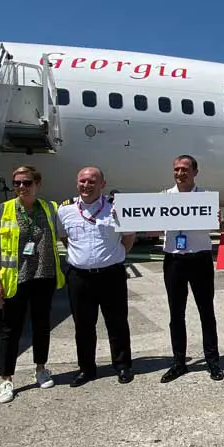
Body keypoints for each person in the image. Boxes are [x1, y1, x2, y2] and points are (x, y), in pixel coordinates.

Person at [0, 164, 65, 404]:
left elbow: (66, 232)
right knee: (11, 330)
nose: (21, 187)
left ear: (38, 185)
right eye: (17, 183)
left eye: (26, 183)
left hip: (44, 276)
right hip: (15, 279)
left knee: (41, 326)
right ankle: (6, 379)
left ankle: (41, 368)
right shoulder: (0, 211)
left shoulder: (51, 208)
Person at [55, 166, 136, 387]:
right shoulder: (65, 210)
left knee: (117, 322)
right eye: (82, 181)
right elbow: (65, 239)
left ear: (102, 184)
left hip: (112, 275)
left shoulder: (115, 209)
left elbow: (128, 238)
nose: (86, 185)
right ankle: (87, 369)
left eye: (92, 181)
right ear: (77, 183)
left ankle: (122, 365)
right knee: (83, 325)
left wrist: (113, 256)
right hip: (79, 277)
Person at [160, 154, 224, 383]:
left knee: (206, 311)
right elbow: (148, 225)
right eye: (176, 169)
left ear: (195, 172)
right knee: (176, 314)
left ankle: (212, 360)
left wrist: (218, 221)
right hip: (174, 260)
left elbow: (217, 226)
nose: (180, 173)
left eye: (185, 169)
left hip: (200, 259)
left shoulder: (206, 198)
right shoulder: (163, 198)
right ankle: (178, 362)